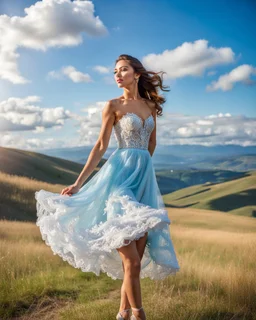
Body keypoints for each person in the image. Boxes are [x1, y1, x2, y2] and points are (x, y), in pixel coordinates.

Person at [35, 54, 180, 320]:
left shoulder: (150, 106)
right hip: (118, 181)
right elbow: (101, 146)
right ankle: (139, 315)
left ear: (136, 74)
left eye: (123, 70)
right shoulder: (113, 105)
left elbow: (152, 144)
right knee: (132, 261)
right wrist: (79, 183)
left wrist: (142, 168)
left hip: (143, 184)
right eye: (115, 71)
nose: (117, 74)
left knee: (133, 262)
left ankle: (123, 313)